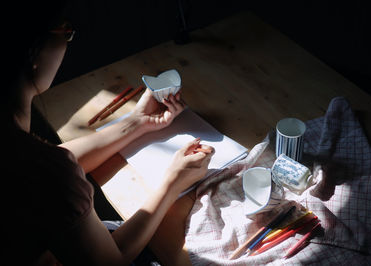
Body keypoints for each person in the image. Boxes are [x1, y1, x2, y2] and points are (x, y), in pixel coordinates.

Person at [3, 1, 214, 265]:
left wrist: (136, 123)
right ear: (32, 52)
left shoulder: (15, 148)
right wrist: (173, 181)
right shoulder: (46, 173)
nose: (68, 41)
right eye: (64, 30)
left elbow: (51, 164)